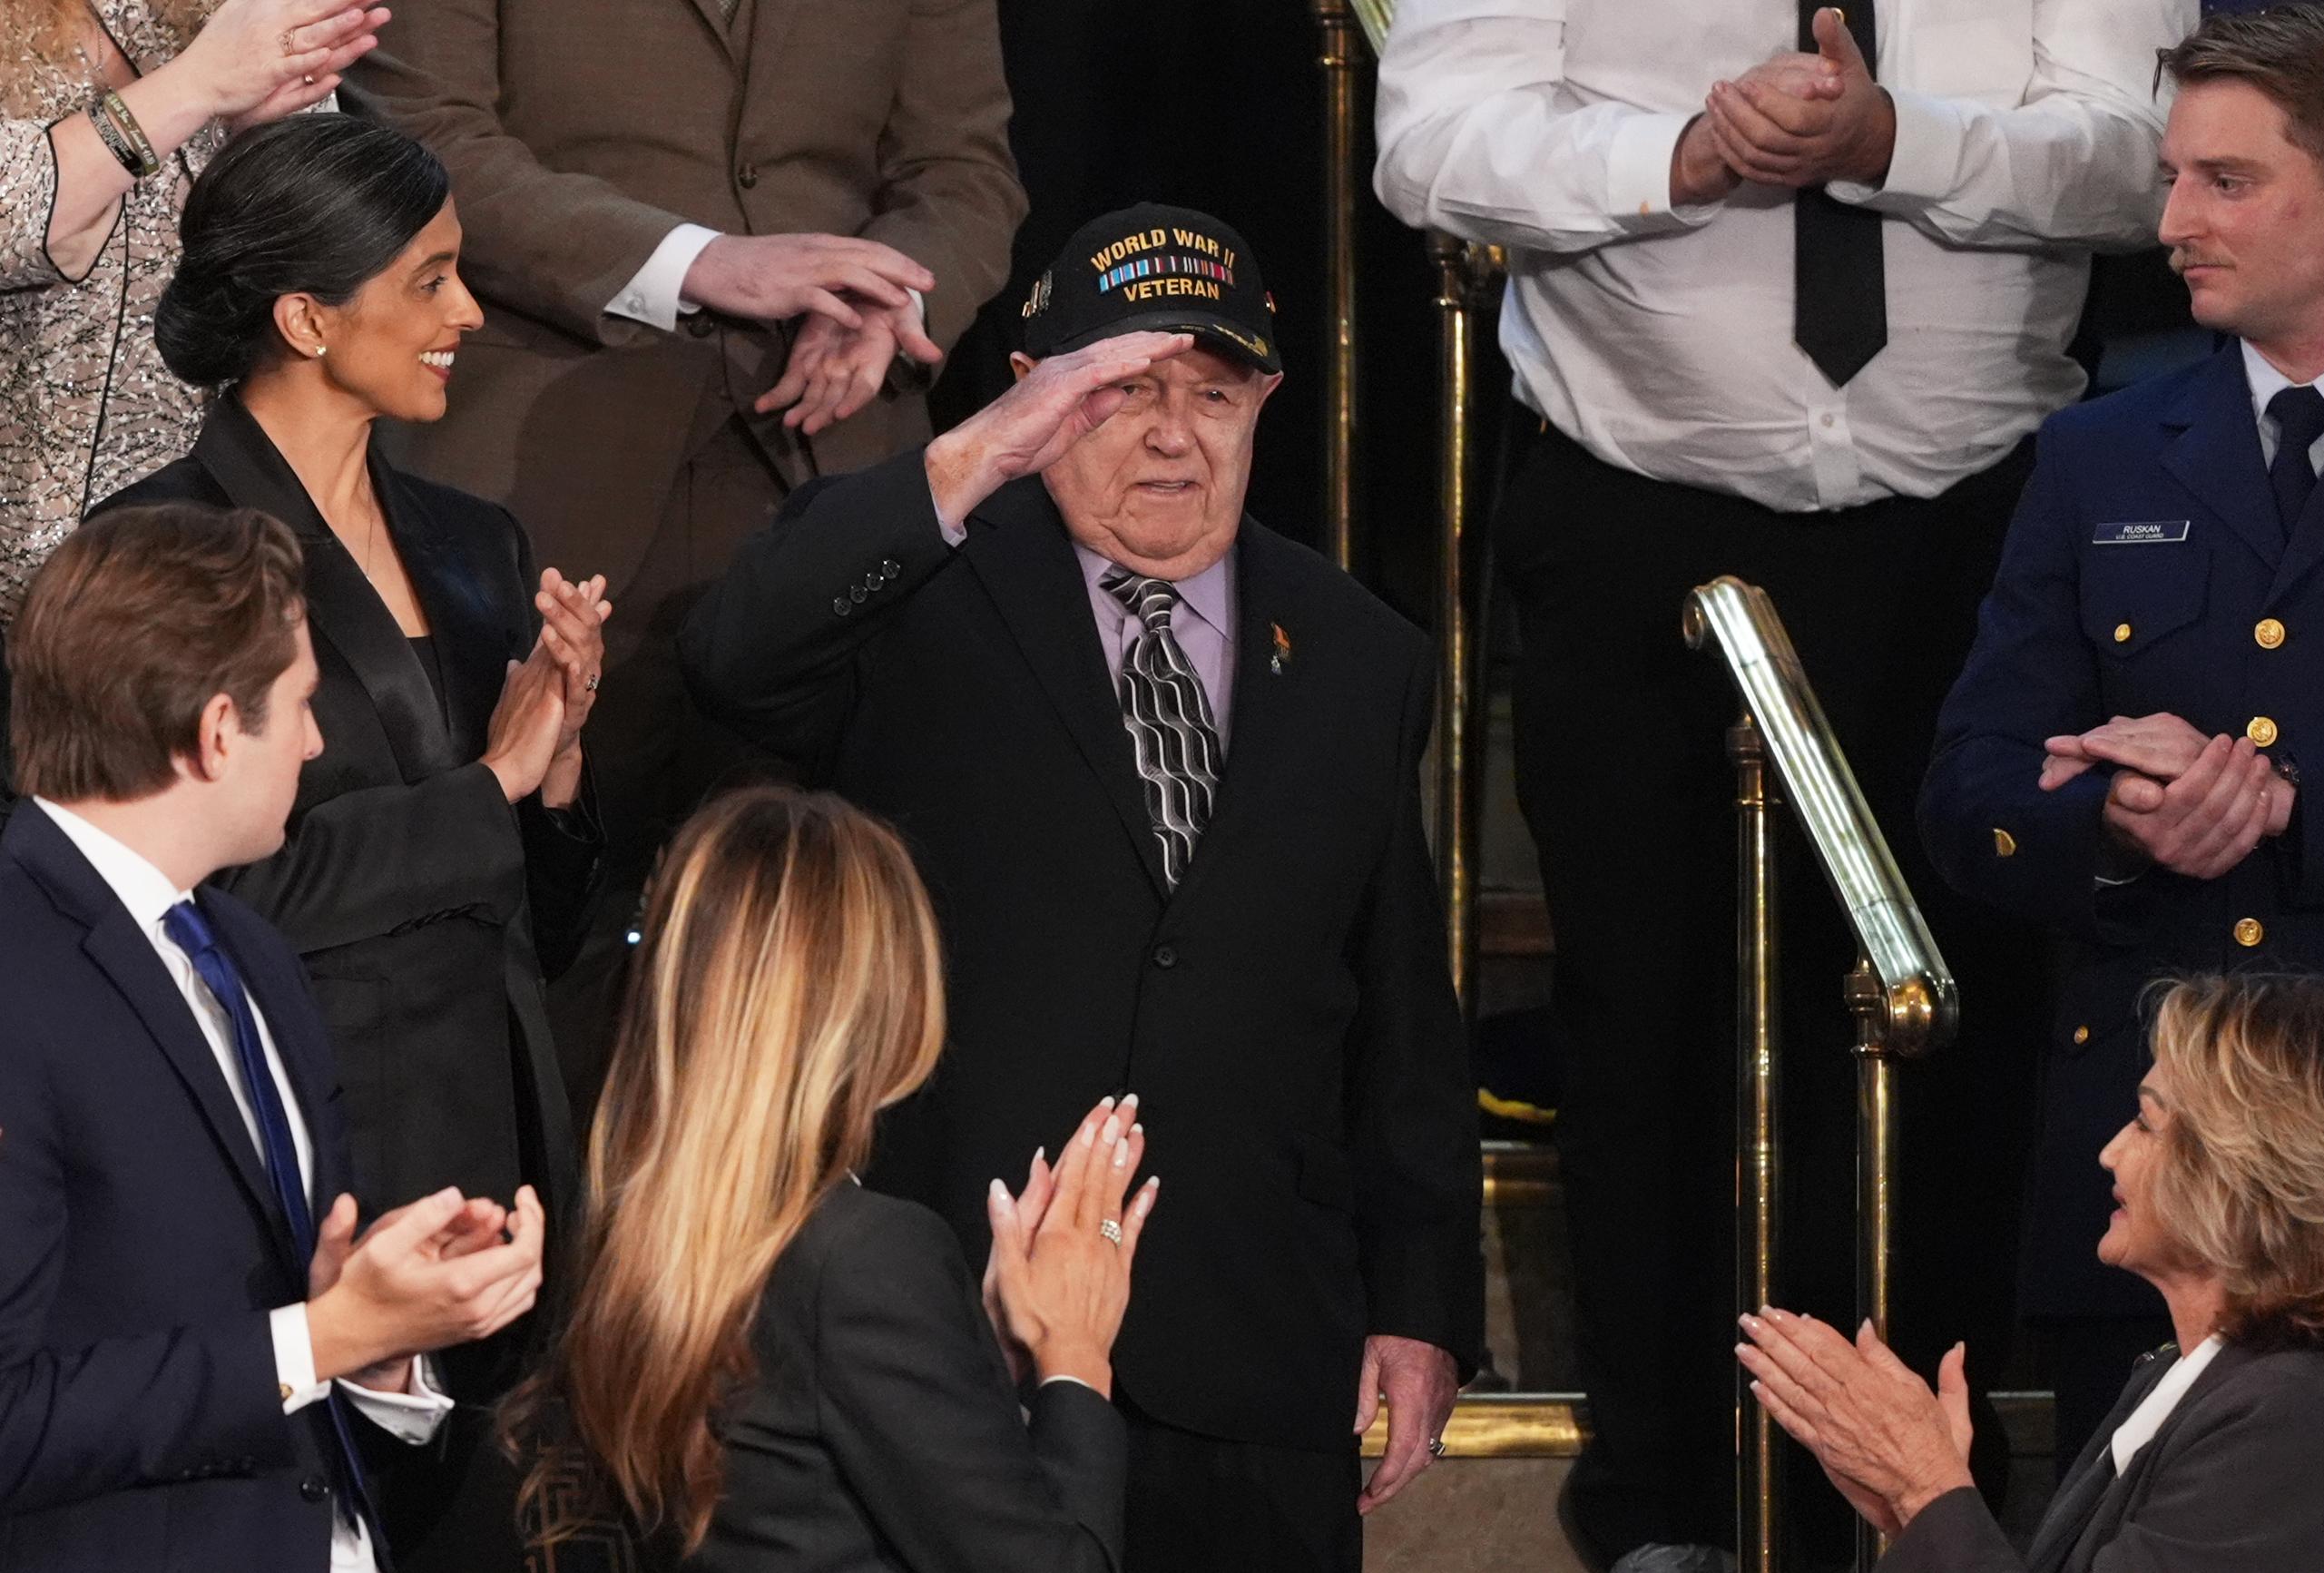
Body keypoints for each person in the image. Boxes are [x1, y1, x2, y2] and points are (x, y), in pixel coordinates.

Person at [1374, 2, 2192, 1565]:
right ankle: (1663, 1505)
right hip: (1634, 510)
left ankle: (1921, 1511)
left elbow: (2141, 156)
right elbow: (1430, 143)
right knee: (1648, 1023)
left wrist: (1898, 146)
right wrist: (1680, 152)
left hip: (1981, 531)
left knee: (1953, 1029)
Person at [680, 203, 1483, 1573]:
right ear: (1036, 399)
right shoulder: (924, 590)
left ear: (1265, 403)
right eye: (1120, 394)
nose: (1172, 434)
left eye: (1212, 396)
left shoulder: (1357, 649)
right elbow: (732, 657)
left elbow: (1398, 1004)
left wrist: (1419, 1304)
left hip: (1256, 1345)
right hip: (961, 1338)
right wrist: (973, 464)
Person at [83, 113, 608, 1566]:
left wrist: (555, 775)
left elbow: (537, 925)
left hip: (508, 1201)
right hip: (303, 1208)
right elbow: (189, 901)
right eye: (431, 280)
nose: (471, 315)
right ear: (310, 316)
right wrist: (487, 790)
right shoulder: (157, 554)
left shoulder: (477, 541)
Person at [346, 0, 1027, 1078]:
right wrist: (702, 263)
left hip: (828, 467)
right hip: (544, 470)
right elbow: (422, 135)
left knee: (808, 966)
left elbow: (964, 172)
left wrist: (884, 296)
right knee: (531, 941)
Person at [1921, 1, 2324, 1476]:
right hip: (2146, 1185)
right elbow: (1971, 788)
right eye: (2172, 176)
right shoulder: (2099, 448)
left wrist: (2291, 805)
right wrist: (2111, 818)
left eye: (2225, 182)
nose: (2168, 220)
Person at [0, 500, 546, 1571]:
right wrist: (322, 1336)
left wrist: (380, 1335)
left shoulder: (248, 950)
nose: (315, 738)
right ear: (215, 731)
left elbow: (284, 1342)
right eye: (300, 702)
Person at [509, 785, 1146, 1571]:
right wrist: (1077, 1356)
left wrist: (977, 1355)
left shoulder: (627, 1231)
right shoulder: (868, 1256)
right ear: (875, 1001)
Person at [1738, 972, 2324, 1569]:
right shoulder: (2186, 1378)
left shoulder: (2287, 1424)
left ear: (2237, 1173)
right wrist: (1917, 1514)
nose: (2111, 1151)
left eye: (2146, 1123)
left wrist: (1926, 1487)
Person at [0, 0, 382, 621]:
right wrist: (196, 83)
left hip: (209, 570)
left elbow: (330, 249)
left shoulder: (214, 10)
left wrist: (253, 149)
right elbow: (15, 219)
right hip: (31, 583)